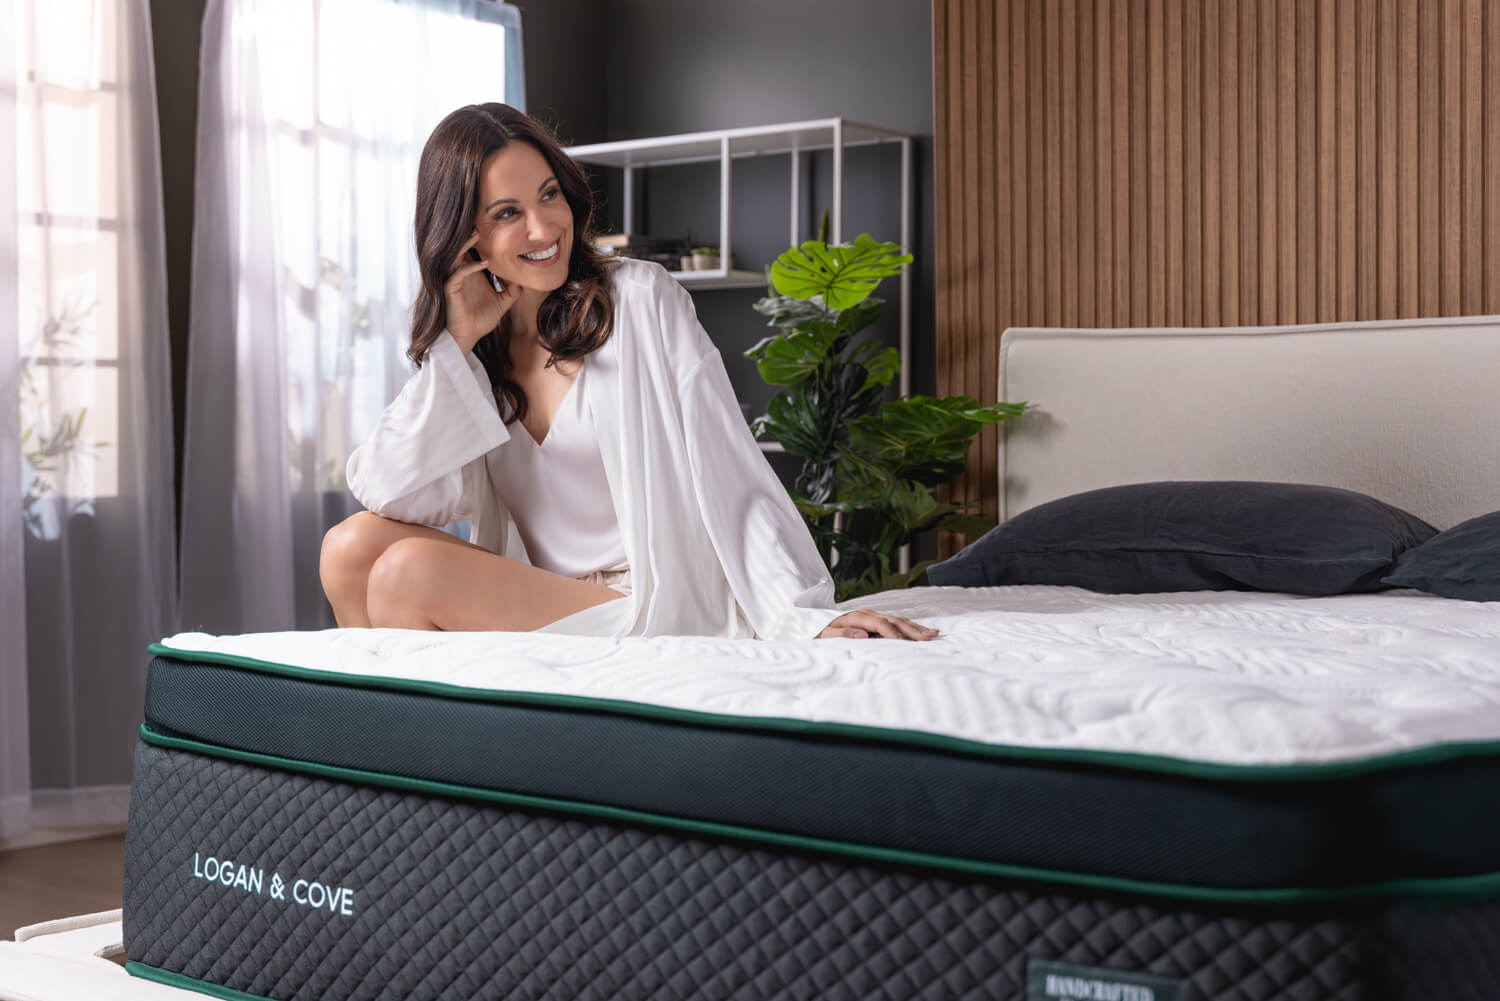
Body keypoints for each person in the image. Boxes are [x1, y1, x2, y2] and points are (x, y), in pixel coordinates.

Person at [319, 103, 937, 642]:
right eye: (507, 212)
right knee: (347, 549)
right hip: (537, 594)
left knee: (409, 576)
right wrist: (455, 342)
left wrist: (802, 612)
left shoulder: (640, 300)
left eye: (548, 195)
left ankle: (410, 751)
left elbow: (729, 467)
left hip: (646, 601)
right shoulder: (473, 348)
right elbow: (388, 490)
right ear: (463, 235)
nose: (543, 228)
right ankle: (377, 747)